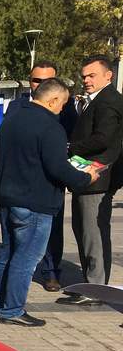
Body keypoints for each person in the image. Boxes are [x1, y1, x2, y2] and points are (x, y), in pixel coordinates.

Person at [0, 78, 100, 326]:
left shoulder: (13, 119)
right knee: (26, 258)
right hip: (34, 202)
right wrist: (85, 177)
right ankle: (12, 310)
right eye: (62, 104)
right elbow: (58, 167)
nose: (62, 109)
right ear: (52, 100)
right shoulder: (50, 127)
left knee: (7, 254)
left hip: (6, 197)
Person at [4, 60, 78, 292]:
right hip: (20, 185)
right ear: (29, 80)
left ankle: (51, 272)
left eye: (47, 81)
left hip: (51, 183)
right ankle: (11, 294)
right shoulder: (16, 106)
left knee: (52, 230)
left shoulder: (65, 107)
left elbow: (71, 138)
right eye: (37, 80)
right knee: (17, 244)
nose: (40, 84)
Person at [60, 54, 123, 302]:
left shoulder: (108, 101)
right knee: (83, 228)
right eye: (84, 75)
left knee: (92, 231)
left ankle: (96, 287)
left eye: (91, 75)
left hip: (98, 176)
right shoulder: (94, 100)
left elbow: (103, 139)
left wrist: (70, 148)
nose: (86, 80)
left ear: (109, 75)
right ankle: (91, 282)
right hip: (86, 176)